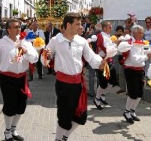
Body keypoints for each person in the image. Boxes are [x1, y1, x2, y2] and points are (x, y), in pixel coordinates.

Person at [41, 12, 105, 141]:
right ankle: (59, 139)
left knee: (81, 115)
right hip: (63, 84)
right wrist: (46, 56)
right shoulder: (56, 40)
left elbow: (91, 57)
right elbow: (45, 59)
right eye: (77, 24)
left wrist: (100, 63)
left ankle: (63, 137)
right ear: (68, 24)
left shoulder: (81, 41)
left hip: (78, 83)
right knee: (64, 115)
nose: (80, 26)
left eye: (80, 23)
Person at [0, 18, 38, 141]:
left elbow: (35, 58)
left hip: (22, 78)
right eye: (15, 27)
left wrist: (25, 51)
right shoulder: (1, 43)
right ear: (8, 29)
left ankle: (13, 129)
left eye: (19, 27)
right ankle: (7, 131)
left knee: (21, 105)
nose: (18, 29)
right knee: (10, 105)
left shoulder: (25, 42)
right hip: (7, 78)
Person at [122, 25, 151, 123]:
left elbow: (142, 53)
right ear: (134, 33)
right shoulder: (130, 43)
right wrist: (147, 56)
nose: (142, 34)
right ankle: (127, 111)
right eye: (140, 32)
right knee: (133, 93)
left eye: (142, 32)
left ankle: (132, 111)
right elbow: (135, 59)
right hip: (131, 70)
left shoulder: (139, 42)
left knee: (140, 93)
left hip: (140, 69)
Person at [93, 21, 118, 110]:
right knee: (103, 83)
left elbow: (110, 47)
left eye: (111, 27)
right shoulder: (100, 36)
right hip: (103, 61)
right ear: (104, 28)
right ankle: (97, 99)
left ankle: (102, 95)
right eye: (109, 27)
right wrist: (109, 50)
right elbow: (101, 46)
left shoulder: (108, 36)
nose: (111, 29)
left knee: (113, 81)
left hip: (109, 60)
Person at [86, 23, 102, 97]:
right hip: (100, 58)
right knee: (99, 75)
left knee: (91, 75)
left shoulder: (89, 36)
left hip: (91, 57)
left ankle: (92, 92)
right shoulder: (102, 36)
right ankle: (99, 92)